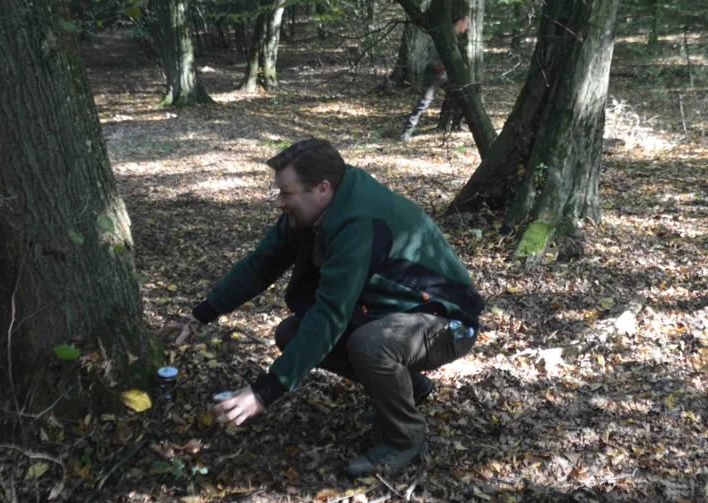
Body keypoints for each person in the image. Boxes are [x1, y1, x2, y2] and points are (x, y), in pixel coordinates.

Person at [162, 139, 483, 475]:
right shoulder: (311, 213)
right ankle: (411, 388)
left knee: (370, 346)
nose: (278, 202)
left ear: (323, 188)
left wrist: (263, 393)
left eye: (286, 193)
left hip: (450, 322)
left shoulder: (357, 223)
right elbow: (259, 266)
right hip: (394, 311)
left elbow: (331, 313)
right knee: (291, 332)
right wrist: (200, 316)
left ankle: (406, 438)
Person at [398, 13, 470, 142]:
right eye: (466, 24)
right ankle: (406, 132)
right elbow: (434, 61)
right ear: (459, 23)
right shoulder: (445, 37)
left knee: (461, 94)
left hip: (446, 74)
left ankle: (457, 124)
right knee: (425, 101)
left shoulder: (453, 37)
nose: (466, 28)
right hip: (433, 74)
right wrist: (450, 66)